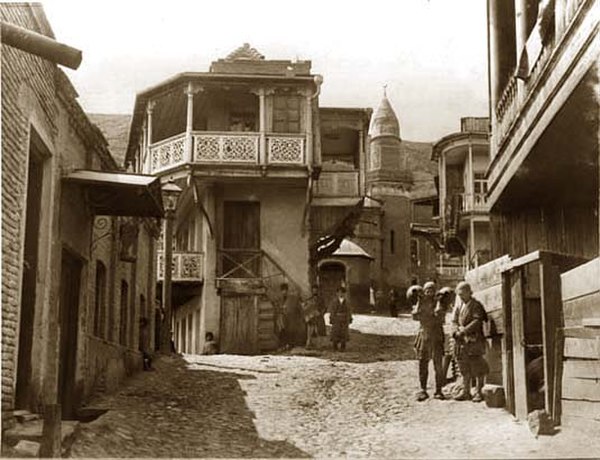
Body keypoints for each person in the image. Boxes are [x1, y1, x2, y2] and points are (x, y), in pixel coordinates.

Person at [452, 281, 489, 402]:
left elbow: (478, 321)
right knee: (464, 367)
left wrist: (465, 331)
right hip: (462, 342)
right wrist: (455, 331)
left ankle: (479, 392)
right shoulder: (459, 306)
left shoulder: (476, 305)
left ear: (469, 292)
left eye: (463, 294)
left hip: (474, 340)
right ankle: (466, 391)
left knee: (477, 366)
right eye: (459, 294)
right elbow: (454, 321)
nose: (461, 296)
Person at [412, 281, 446, 401]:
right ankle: (423, 389)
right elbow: (415, 315)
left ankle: (438, 390)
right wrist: (420, 301)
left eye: (431, 290)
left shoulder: (439, 302)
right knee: (422, 363)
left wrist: (439, 303)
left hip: (436, 336)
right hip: (424, 335)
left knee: (438, 364)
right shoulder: (421, 302)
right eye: (427, 290)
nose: (429, 292)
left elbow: (440, 314)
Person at [329, 286, 352, 351]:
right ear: (337, 293)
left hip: (344, 319)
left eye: (342, 293)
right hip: (336, 319)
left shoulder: (347, 302)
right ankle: (335, 346)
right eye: (339, 293)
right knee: (335, 332)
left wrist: (349, 318)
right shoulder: (334, 301)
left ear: (344, 294)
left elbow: (349, 311)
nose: (340, 294)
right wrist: (331, 318)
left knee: (344, 332)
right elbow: (332, 310)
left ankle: (343, 346)